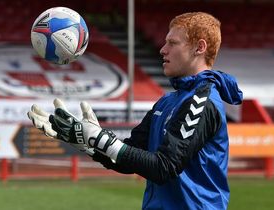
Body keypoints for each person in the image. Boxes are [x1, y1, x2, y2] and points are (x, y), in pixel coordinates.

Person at [28, 12, 243, 210]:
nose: (162, 49)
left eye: (172, 43)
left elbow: (163, 167)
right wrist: (86, 142)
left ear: (200, 48)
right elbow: (129, 156)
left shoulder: (202, 101)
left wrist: (101, 140)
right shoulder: (167, 101)